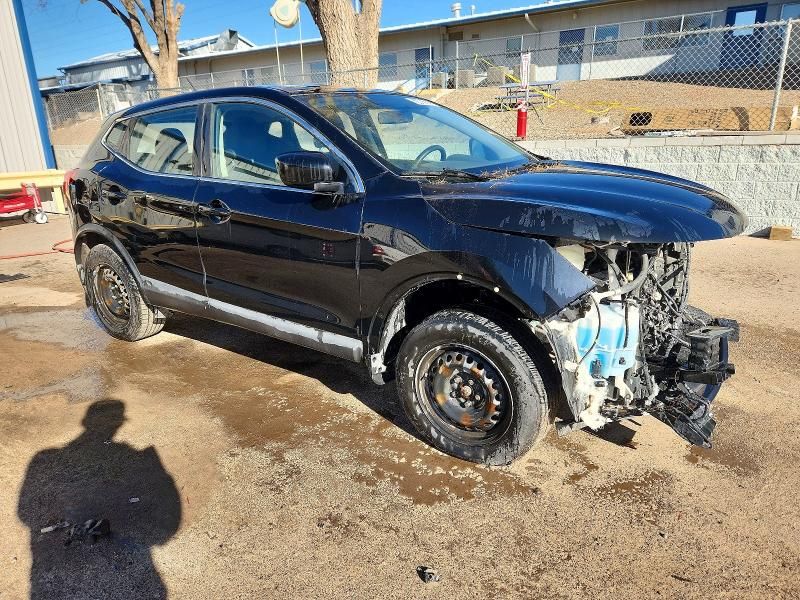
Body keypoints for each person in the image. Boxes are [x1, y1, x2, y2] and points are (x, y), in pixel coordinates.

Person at [17, 400, 180, 599]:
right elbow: (164, 526)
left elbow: (25, 513)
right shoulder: (128, 457)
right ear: (118, 424)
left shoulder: (44, 458)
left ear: (85, 421)